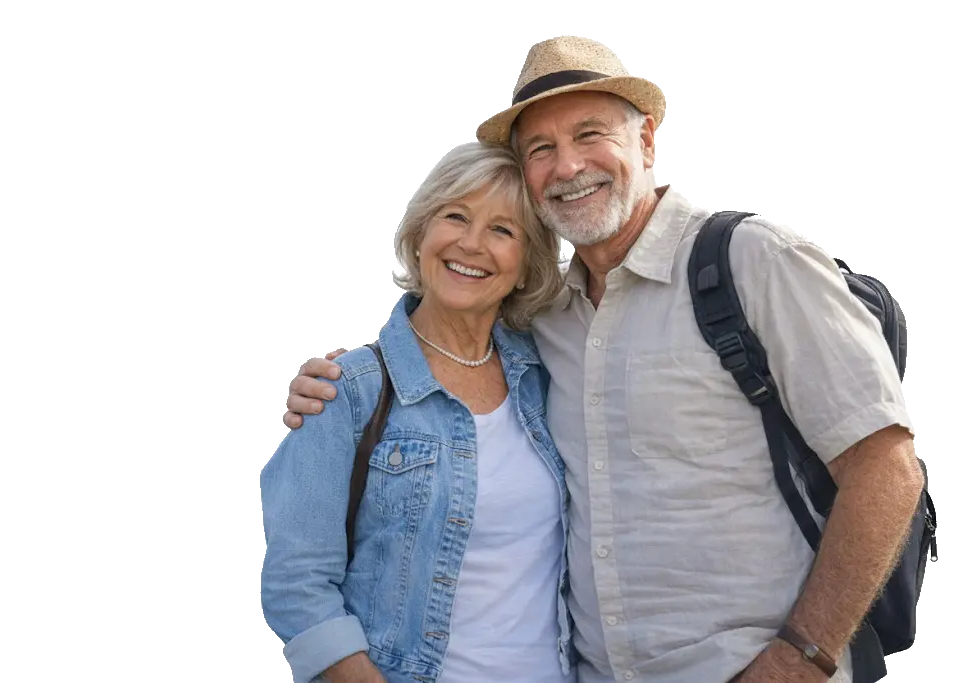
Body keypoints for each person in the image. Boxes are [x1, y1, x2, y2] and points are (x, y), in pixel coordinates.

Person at [282, 35, 923, 683]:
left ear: (645, 141)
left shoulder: (755, 260)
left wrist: (800, 659)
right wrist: (346, 384)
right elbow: (445, 340)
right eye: (541, 149)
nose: (567, 167)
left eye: (591, 134)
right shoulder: (543, 328)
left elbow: (887, 470)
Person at [259, 141, 575, 683]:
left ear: (528, 265)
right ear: (421, 234)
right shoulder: (348, 389)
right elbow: (297, 584)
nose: (471, 244)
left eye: (503, 230)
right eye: (456, 216)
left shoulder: (547, 381)